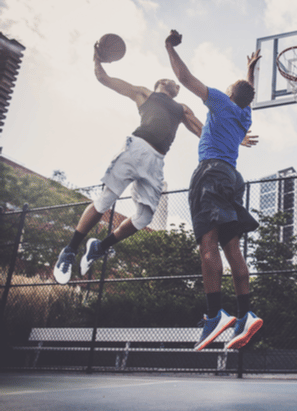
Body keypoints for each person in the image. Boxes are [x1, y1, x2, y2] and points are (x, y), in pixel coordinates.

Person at [53, 42, 204, 285]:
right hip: (135, 149)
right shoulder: (144, 93)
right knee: (105, 200)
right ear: (162, 82)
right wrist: (97, 57)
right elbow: (104, 79)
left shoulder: (181, 108)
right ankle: (69, 250)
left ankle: (99, 247)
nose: (178, 85)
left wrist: (232, 137)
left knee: (144, 217)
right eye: (173, 82)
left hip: (156, 161)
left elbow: (202, 130)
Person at [165, 30, 262, 351]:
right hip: (232, 179)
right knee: (232, 248)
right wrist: (250, 70)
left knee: (208, 244)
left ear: (229, 92)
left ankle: (214, 314)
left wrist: (169, 46)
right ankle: (245, 314)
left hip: (211, 172)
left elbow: (183, 76)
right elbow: (249, 93)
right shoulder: (244, 114)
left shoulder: (222, 101)